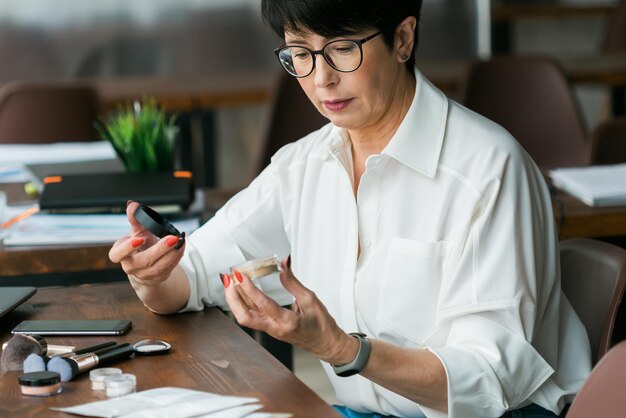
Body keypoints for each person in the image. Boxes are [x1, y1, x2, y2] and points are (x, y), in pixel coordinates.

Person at [109, 1, 592, 417]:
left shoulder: (488, 169)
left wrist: (342, 349)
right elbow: (190, 275)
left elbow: (490, 382)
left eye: (342, 49)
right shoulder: (304, 165)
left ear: (403, 39)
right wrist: (152, 276)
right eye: (300, 53)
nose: (321, 79)